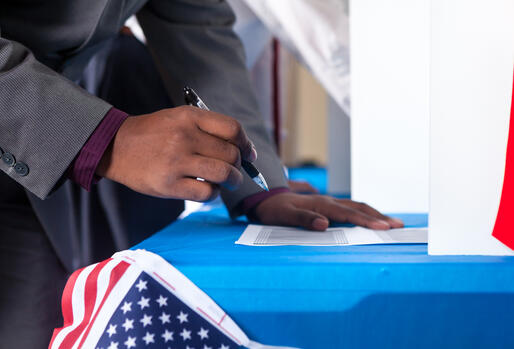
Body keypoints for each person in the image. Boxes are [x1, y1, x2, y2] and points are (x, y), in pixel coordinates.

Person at [0, 1, 403, 347]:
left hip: (38, 160)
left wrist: (259, 185)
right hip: (47, 125)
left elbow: (195, 25)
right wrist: (105, 139)